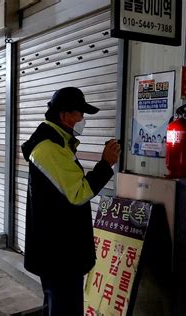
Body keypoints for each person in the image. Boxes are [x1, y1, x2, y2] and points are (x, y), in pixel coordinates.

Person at [21, 87, 120, 316]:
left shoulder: (58, 143)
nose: (82, 120)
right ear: (65, 115)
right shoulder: (50, 148)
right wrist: (105, 164)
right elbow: (79, 193)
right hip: (60, 252)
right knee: (65, 307)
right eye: (80, 114)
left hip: (58, 248)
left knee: (57, 304)